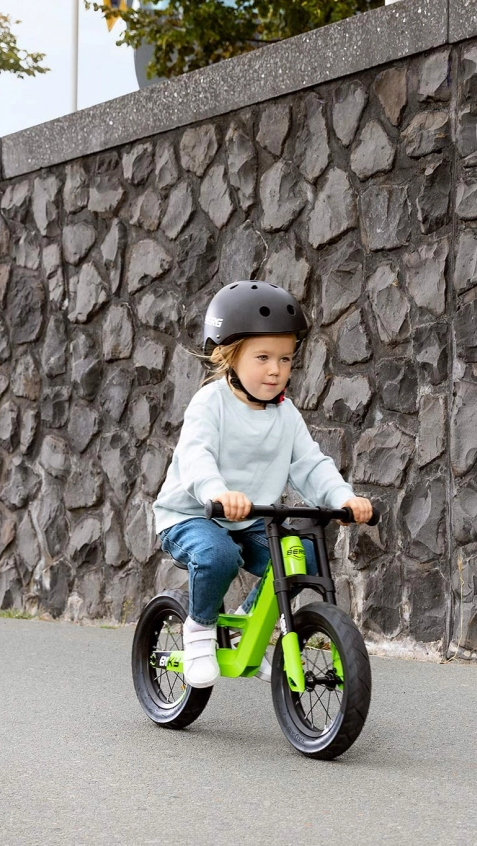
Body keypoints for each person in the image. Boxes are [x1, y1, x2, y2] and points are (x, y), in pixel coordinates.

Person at [152, 280, 373, 689]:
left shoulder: (285, 415)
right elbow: (197, 456)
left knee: (302, 555)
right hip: (191, 514)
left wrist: (343, 497)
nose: (275, 369)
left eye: (285, 358)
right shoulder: (210, 403)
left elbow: (310, 464)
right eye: (263, 357)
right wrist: (217, 492)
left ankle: (249, 625)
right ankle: (199, 630)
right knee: (217, 556)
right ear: (229, 356)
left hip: (250, 518)